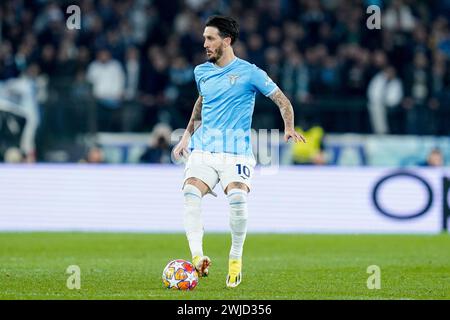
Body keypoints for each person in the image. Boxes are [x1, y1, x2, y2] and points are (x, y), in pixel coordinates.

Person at [172, 16, 306, 288]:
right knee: (190, 192)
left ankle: (235, 258)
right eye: (204, 38)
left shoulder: (251, 72)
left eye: (210, 38)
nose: (205, 44)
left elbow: (281, 100)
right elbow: (201, 103)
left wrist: (289, 127)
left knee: (237, 199)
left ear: (227, 40)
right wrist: (187, 135)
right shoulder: (202, 72)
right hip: (204, 149)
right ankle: (198, 257)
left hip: (236, 152)